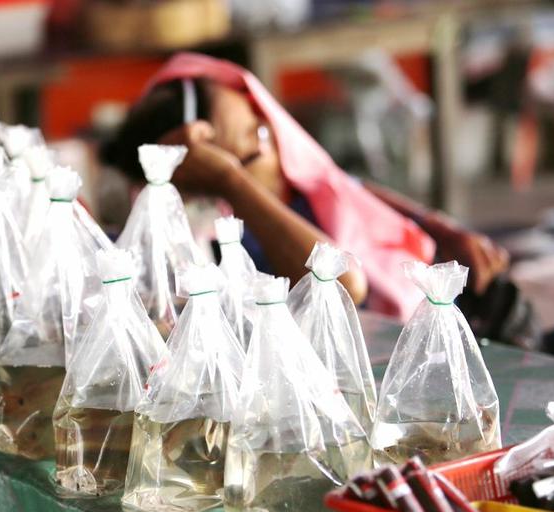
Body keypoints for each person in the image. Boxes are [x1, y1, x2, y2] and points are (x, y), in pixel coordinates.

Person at [101, 53, 509, 322]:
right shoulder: (238, 239)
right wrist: (231, 181)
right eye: (255, 137)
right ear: (205, 178)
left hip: (474, 303)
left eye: (263, 121)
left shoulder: (294, 189)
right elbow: (343, 285)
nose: (276, 139)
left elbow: (345, 185)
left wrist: (437, 227)